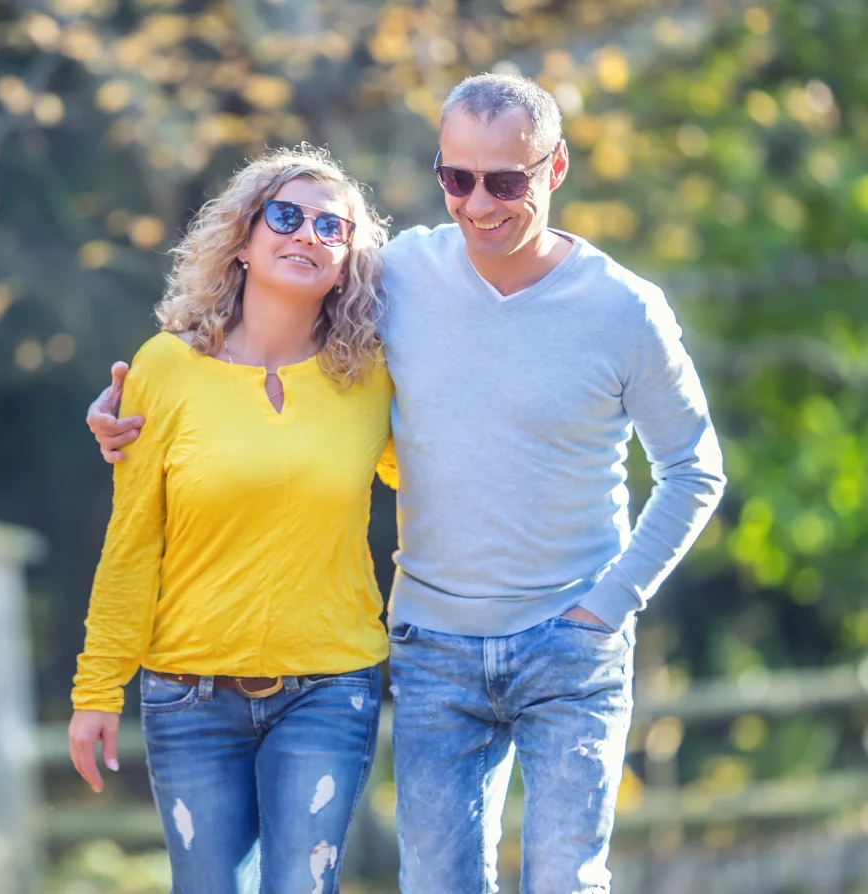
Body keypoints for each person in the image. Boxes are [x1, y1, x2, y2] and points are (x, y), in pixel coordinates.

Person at [87, 74, 726, 893]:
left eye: (506, 181)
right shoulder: (398, 276)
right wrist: (128, 413)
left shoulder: (626, 309)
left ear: (556, 168)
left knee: (567, 881)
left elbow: (694, 467)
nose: (478, 203)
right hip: (433, 644)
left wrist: (609, 604)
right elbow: (263, 335)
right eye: (455, 178)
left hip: (572, 641)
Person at [68, 144, 396, 894]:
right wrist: (96, 690)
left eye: (331, 227)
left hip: (329, 683)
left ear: (348, 263)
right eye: (286, 216)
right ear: (244, 241)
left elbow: (435, 481)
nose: (307, 234)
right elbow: (131, 545)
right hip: (186, 692)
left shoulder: (374, 379)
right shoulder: (163, 368)